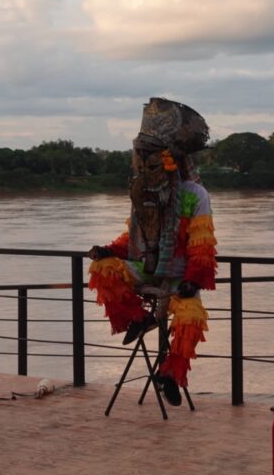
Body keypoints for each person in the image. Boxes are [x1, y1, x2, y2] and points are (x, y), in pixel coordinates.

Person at [88, 97, 217, 407]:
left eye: (152, 158)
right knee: (101, 269)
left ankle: (170, 375)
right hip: (145, 268)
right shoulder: (142, 192)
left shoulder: (195, 195)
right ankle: (141, 318)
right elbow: (135, 235)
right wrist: (109, 250)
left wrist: (192, 281)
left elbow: (202, 244)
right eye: (142, 157)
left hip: (179, 279)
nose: (146, 164)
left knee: (191, 318)